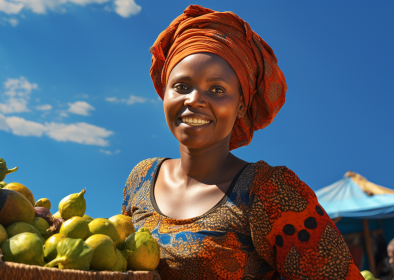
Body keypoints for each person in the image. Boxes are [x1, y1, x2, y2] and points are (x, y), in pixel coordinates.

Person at [121, 5, 362, 279]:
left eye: (217, 89)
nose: (194, 99)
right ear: (165, 94)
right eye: (182, 86)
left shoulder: (269, 191)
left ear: (240, 106)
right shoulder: (141, 179)